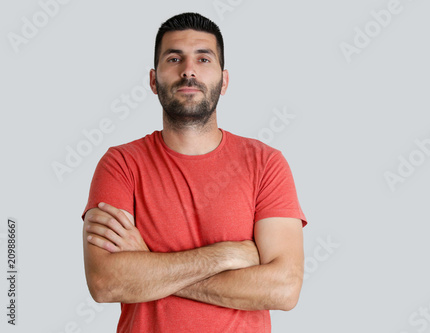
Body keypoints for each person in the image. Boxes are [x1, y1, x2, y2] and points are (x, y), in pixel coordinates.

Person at [81, 12, 307, 333]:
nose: (188, 70)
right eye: (174, 58)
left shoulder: (266, 163)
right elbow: (105, 282)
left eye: (203, 59)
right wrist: (226, 255)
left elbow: (284, 289)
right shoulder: (120, 164)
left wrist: (150, 265)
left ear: (224, 81)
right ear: (152, 80)